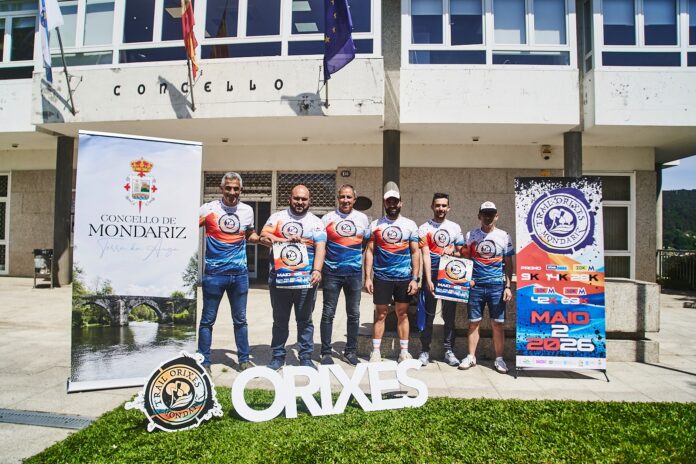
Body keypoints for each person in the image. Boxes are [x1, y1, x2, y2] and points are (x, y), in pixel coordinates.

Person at [260, 185, 326, 370]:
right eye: (296, 198)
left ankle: (305, 357)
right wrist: (283, 240)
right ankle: (278, 357)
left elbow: (321, 247)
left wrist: (317, 270)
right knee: (280, 320)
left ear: (309, 201)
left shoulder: (316, 222)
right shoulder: (277, 218)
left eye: (304, 199)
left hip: (305, 281)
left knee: (305, 320)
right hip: (280, 279)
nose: (300, 202)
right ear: (290, 199)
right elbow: (263, 236)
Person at [198, 172, 259, 373]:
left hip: (239, 275)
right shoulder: (208, 209)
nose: (232, 192)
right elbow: (187, 229)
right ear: (221, 188)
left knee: (240, 320)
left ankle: (243, 360)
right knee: (207, 320)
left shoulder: (247, 210)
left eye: (236, 188)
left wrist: (263, 239)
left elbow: (249, 234)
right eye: (228, 188)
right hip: (214, 274)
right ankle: (204, 362)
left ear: (241, 190)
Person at [364, 189, 420, 363]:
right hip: (382, 277)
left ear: (401, 203)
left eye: (395, 201)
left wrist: (415, 278)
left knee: (402, 313)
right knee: (380, 314)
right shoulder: (375, 225)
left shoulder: (410, 224)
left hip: (404, 277)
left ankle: (404, 352)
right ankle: (375, 352)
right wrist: (367, 277)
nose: (392, 204)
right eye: (389, 201)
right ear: (384, 203)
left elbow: (415, 252)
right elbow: (370, 251)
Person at [459, 201, 514, 373]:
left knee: (497, 324)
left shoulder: (504, 236)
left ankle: (499, 359)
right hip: (476, 286)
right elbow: (466, 258)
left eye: (491, 214)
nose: (488, 217)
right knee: (473, 323)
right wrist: (467, 278)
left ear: (496, 216)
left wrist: (508, 286)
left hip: (497, 286)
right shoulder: (471, 235)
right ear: (479, 216)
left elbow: (508, 263)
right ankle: (471, 357)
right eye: (485, 214)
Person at [319, 185, 370, 366]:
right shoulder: (327, 218)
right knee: (328, 313)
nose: (345, 200)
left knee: (354, 314)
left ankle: (350, 351)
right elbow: (321, 244)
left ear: (354, 200)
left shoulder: (362, 219)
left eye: (349, 197)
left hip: (354, 273)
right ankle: (325, 352)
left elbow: (365, 243)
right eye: (342, 197)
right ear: (338, 198)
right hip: (331, 273)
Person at [417, 193, 465, 367]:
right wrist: (429, 280)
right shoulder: (424, 228)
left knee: (449, 316)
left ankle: (449, 351)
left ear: (448, 208)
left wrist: (454, 252)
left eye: (444, 205)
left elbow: (463, 252)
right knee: (428, 315)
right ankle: (424, 350)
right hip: (431, 275)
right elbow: (425, 254)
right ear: (432, 207)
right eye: (437, 205)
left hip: (450, 276)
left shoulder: (455, 227)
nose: (441, 208)